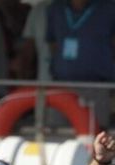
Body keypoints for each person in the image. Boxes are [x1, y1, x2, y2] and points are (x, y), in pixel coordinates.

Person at [46, 0, 115, 129]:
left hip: (96, 87)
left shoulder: (110, 8)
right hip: (61, 86)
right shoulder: (55, 9)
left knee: (95, 137)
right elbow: (53, 44)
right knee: (57, 135)